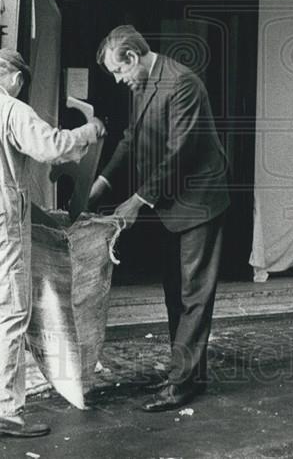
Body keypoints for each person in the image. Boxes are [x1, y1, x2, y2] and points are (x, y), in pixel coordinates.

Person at [0, 49, 105, 438]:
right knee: (10, 312)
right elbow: (53, 147)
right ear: (15, 78)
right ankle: (6, 412)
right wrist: (90, 130)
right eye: (21, 85)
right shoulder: (9, 109)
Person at [89, 25, 230, 412]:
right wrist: (101, 182)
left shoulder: (182, 83)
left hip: (199, 201)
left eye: (119, 72)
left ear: (132, 57)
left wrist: (136, 201)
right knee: (176, 293)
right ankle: (188, 375)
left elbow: (178, 154)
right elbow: (131, 138)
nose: (119, 81)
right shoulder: (145, 83)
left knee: (193, 296)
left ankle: (182, 386)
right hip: (172, 205)